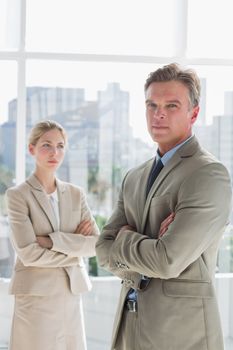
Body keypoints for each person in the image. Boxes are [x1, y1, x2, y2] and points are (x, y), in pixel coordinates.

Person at [96, 63, 232, 350]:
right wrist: (150, 245)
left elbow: (168, 260)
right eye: (152, 104)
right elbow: (102, 250)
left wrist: (125, 239)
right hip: (128, 331)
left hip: (180, 335)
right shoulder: (134, 177)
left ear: (193, 113)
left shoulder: (207, 174)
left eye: (171, 105)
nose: (158, 113)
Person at [6, 120, 99, 350]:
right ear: (32, 149)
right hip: (36, 297)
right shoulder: (18, 196)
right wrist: (75, 250)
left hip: (70, 295)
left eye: (60, 146)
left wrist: (52, 241)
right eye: (47, 145)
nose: (54, 152)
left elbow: (96, 244)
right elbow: (28, 254)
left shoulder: (76, 194)